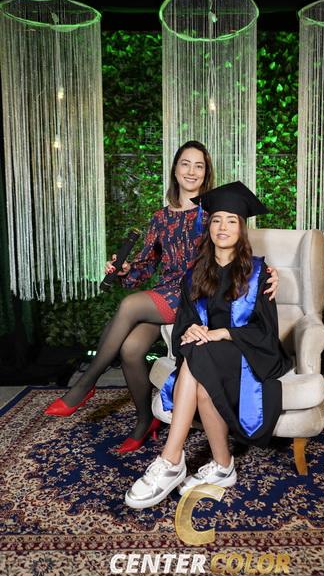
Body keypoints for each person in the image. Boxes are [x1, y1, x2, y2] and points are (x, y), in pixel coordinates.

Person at [44, 142, 280, 454]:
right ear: (175, 169)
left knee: (129, 305)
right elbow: (145, 268)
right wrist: (126, 269)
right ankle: (145, 421)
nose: (192, 171)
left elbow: (235, 248)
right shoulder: (159, 217)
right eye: (185, 164)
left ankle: (85, 385)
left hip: (195, 294)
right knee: (130, 350)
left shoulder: (212, 212)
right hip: (163, 294)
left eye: (199, 166)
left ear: (206, 173)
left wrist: (269, 272)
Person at [124, 181, 292, 509]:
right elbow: (185, 324)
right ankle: (223, 466)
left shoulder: (259, 273)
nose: (223, 227)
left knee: (200, 357)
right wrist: (190, 333)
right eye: (216, 220)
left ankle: (171, 459)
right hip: (207, 356)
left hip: (250, 353)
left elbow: (266, 333)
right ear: (209, 226)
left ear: (241, 229)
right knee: (201, 374)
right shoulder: (195, 275)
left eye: (231, 221)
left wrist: (222, 333)